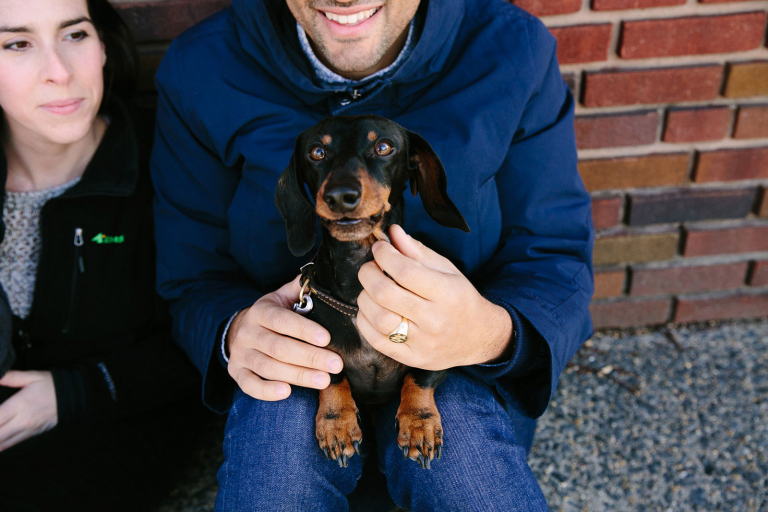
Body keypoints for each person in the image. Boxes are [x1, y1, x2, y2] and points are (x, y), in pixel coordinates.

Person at [152, 0, 594, 510]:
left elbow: (554, 253)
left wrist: (492, 334)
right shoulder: (200, 68)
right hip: (301, 360)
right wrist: (234, 333)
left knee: (465, 462)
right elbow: (190, 278)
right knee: (277, 462)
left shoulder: (514, 51)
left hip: (455, 363)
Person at [0, 0, 203, 510]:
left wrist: (73, 393)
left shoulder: (169, 160)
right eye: (17, 43)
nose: (60, 72)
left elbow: (207, 330)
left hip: (120, 417)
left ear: (104, 43)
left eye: (75, 34)